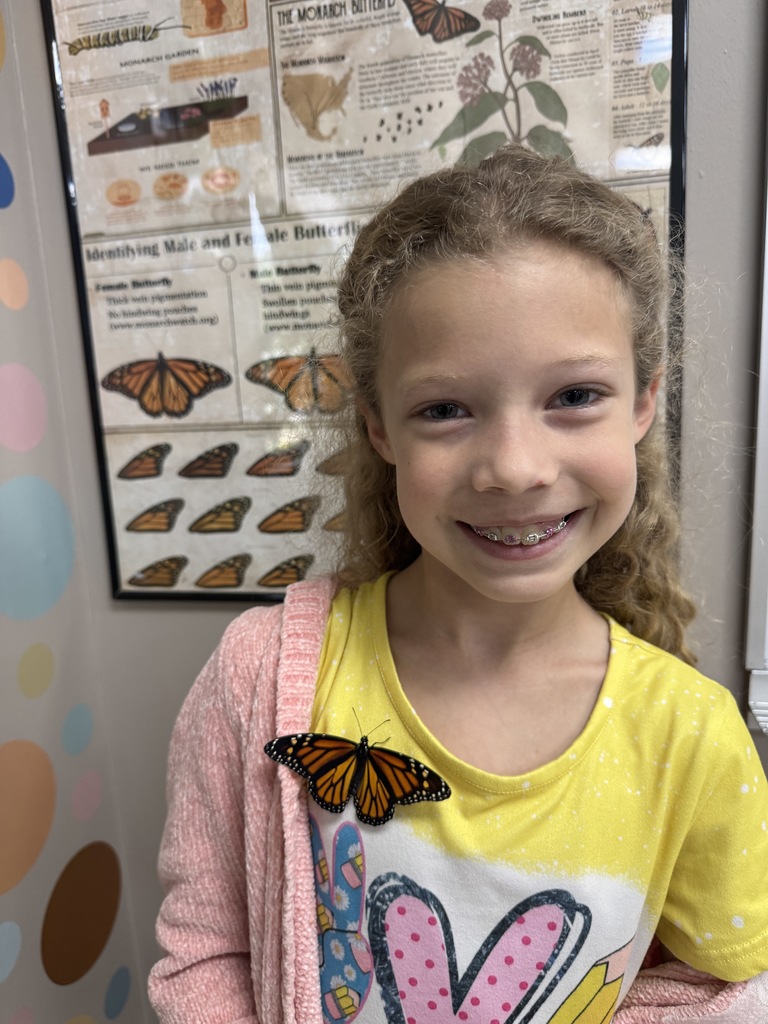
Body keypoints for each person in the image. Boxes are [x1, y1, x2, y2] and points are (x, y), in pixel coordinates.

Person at [148, 145, 768, 1024]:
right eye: (445, 409)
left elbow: (727, 987)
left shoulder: (692, 734)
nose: (515, 468)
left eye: (575, 395)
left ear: (643, 404)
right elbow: (205, 956)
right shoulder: (260, 678)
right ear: (379, 427)